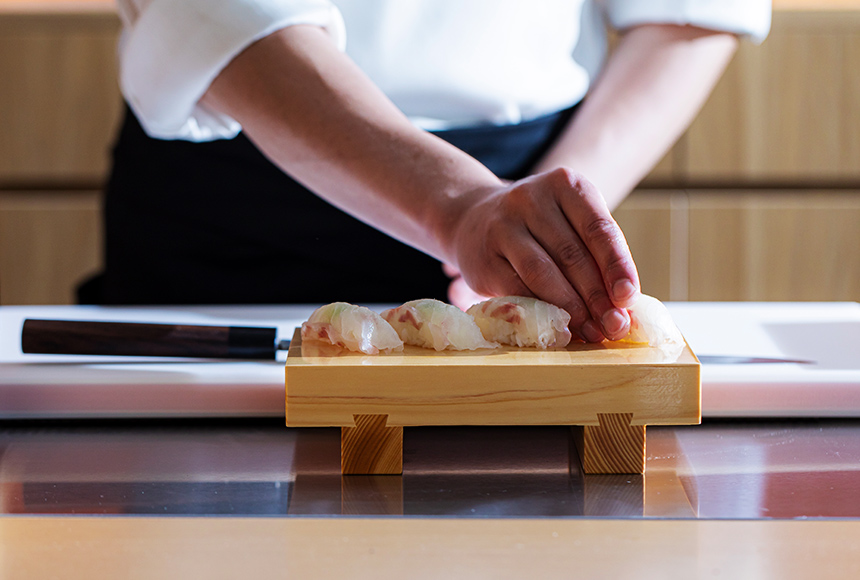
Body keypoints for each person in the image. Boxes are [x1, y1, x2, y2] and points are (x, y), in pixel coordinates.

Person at [86, 0, 770, 344]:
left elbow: (692, 12)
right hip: (237, 212)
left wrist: (541, 226)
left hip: (536, 175)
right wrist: (462, 207)